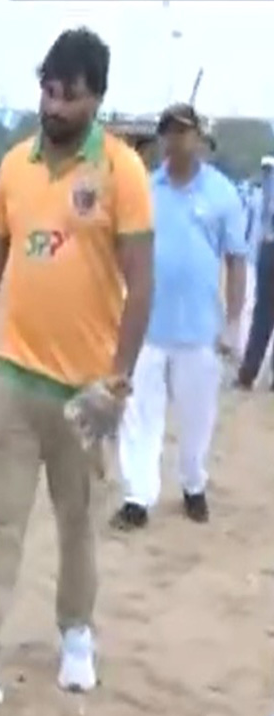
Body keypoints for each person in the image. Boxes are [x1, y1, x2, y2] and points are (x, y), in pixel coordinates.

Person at [0, 27, 153, 716]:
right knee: (0, 518)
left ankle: (77, 634)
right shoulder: (15, 166)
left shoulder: (121, 171)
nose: (55, 106)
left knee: (77, 520)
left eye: (71, 95)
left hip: (86, 388)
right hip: (16, 376)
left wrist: (118, 379)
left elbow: (140, 281)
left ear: (97, 97)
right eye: (48, 91)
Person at [112, 104, 245, 529]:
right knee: (139, 415)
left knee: (196, 418)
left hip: (199, 331)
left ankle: (192, 485)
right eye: (169, 132)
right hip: (148, 327)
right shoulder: (147, 191)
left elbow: (237, 260)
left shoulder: (222, 193)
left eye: (184, 132)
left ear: (199, 138)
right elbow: (126, 250)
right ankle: (137, 497)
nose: (176, 140)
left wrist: (233, 323)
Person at [236, 155, 274, 388]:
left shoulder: (268, 184)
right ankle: (250, 372)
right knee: (262, 313)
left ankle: (249, 372)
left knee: (262, 314)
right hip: (268, 246)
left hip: (268, 247)